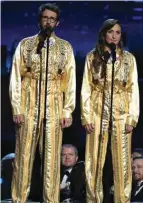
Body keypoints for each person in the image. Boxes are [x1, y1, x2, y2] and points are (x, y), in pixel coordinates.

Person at [9, 3, 76, 203]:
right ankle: (18, 199)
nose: (48, 21)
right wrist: (17, 107)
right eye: (45, 18)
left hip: (54, 107)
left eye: (52, 19)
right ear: (40, 20)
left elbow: (70, 81)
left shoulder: (65, 47)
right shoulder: (26, 44)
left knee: (51, 159)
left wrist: (67, 111)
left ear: (57, 22)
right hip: (28, 105)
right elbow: (15, 77)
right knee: (23, 157)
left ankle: (50, 200)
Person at [81, 19, 140, 203]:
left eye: (118, 32)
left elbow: (133, 89)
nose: (114, 36)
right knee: (94, 160)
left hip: (121, 113)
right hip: (97, 112)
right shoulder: (92, 57)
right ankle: (93, 199)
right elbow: (86, 88)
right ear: (104, 34)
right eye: (111, 32)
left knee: (122, 162)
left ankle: (122, 200)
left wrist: (132, 118)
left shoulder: (128, 59)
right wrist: (86, 116)